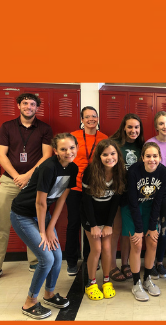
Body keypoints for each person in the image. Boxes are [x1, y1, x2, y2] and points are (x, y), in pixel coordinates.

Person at [10, 133, 79, 319]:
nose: (68, 152)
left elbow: (62, 198)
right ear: (55, 151)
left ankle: (49, 294)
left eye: (72, 148)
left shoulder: (73, 168)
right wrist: (43, 232)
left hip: (43, 215)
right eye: (63, 149)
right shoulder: (48, 167)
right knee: (46, 258)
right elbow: (40, 202)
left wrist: (50, 227)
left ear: (77, 148)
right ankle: (29, 302)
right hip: (23, 215)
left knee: (57, 254)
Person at [0, 93, 52, 285]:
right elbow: (1, 155)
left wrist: (27, 176)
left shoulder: (44, 128)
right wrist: (16, 176)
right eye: (25, 103)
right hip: (9, 182)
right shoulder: (7, 127)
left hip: (33, 184)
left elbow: (47, 156)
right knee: (1, 225)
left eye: (32, 104)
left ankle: (34, 261)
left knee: (33, 223)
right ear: (19, 106)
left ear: (37, 108)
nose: (29, 107)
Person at [121, 142, 166, 301]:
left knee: (153, 242)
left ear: (160, 157)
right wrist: (140, 230)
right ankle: (136, 283)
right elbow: (133, 202)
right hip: (132, 209)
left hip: (150, 208)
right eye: (148, 156)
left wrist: (152, 227)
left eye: (155, 156)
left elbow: (158, 201)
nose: (152, 159)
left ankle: (147, 278)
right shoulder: (134, 171)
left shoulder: (164, 172)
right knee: (137, 243)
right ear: (142, 157)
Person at [81, 139, 126, 300]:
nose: (109, 157)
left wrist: (108, 224)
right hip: (90, 217)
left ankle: (106, 281)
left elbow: (115, 201)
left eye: (112, 153)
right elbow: (86, 202)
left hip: (106, 217)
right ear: (99, 157)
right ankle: (91, 283)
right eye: (105, 154)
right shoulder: (90, 171)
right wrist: (93, 225)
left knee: (107, 249)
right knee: (97, 249)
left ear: (117, 155)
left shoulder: (119, 172)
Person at [65, 106, 107, 276]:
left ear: (98, 118)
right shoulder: (73, 136)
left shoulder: (103, 138)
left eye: (94, 116)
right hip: (75, 186)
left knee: (91, 224)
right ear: (82, 120)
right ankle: (72, 261)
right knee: (74, 223)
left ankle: (91, 257)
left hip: (94, 187)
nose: (91, 119)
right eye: (87, 116)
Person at [110, 113, 145, 282]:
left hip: (133, 195)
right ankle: (111, 266)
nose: (133, 130)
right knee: (115, 231)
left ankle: (125, 263)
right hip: (116, 193)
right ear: (123, 127)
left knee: (126, 231)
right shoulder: (114, 144)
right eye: (130, 127)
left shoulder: (141, 147)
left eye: (136, 127)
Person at [146, 111, 166, 278]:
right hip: (152, 190)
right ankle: (149, 263)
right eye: (161, 123)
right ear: (156, 127)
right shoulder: (150, 143)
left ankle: (160, 262)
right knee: (153, 227)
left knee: (164, 229)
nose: (165, 126)